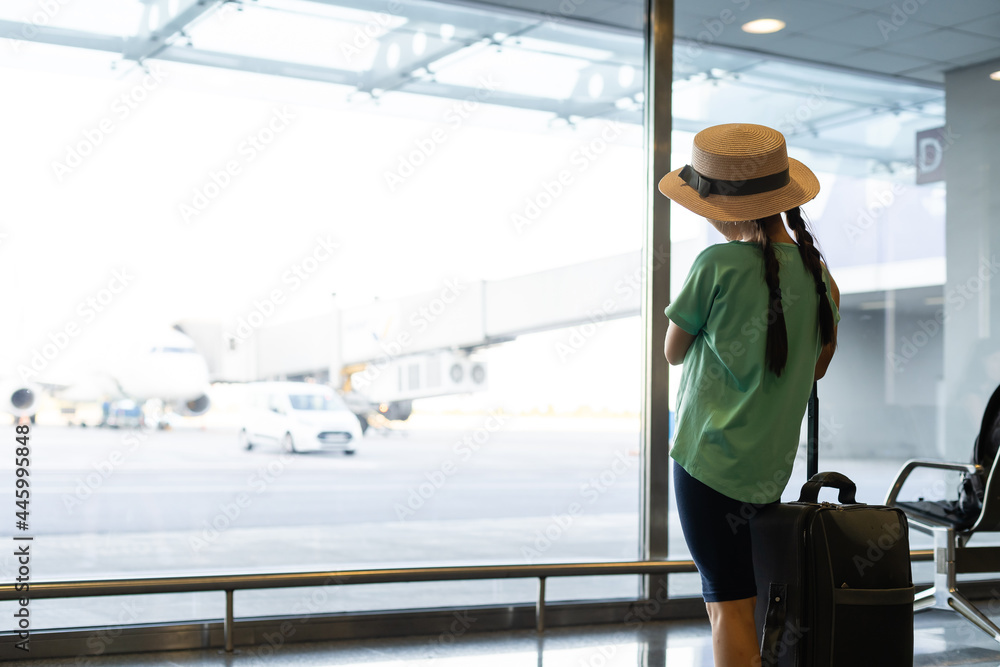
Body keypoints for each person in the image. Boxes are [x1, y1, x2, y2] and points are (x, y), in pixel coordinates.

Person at [657, 123, 841, 666]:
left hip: (706, 460)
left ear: (725, 211)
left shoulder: (715, 266)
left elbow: (672, 350)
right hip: (766, 471)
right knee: (748, 600)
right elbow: (817, 369)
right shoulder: (820, 278)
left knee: (728, 608)